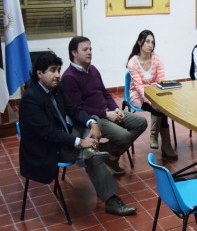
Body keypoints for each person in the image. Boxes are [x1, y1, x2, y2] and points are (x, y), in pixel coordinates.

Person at [19, 52, 136, 217]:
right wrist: (79, 142)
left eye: (59, 70)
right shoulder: (31, 99)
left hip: (63, 136)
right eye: (52, 70)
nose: (57, 75)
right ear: (39, 73)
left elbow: (74, 110)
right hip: (46, 148)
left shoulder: (56, 88)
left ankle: (91, 151)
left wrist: (92, 123)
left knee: (93, 120)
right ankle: (110, 197)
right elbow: (49, 133)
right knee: (91, 156)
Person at [61, 37, 148, 175]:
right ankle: (104, 154)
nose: (89, 52)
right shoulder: (69, 77)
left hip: (108, 112)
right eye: (85, 49)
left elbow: (105, 93)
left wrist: (116, 109)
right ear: (74, 53)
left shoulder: (93, 69)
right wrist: (107, 114)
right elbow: (79, 109)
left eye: (90, 49)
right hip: (92, 119)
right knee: (125, 137)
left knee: (141, 122)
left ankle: (106, 154)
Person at [126, 29, 178, 160]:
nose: (151, 45)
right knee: (157, 107)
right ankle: (164, 143)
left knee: (161, 106)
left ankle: (159, 139)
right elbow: (138, 86)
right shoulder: (132, 62)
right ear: (139, 42)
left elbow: (161, 80)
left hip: (155, 92)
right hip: (138, 94)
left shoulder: (157, 58)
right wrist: (152, 101)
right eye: (147, 41)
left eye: (152, 42)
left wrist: (159, 97)